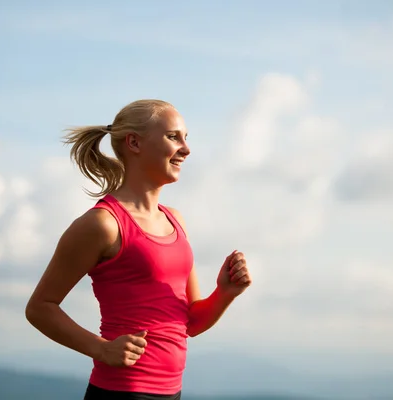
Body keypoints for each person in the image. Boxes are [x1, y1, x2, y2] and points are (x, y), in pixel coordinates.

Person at [25, 99, 252, 400]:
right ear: (134, 142)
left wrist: (225, 293)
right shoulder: (103, 224)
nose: (186, 149)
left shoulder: (176, 220)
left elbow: (191, 323)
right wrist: (101, 348)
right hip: (122, 392)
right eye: (173, 137)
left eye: (186, 138)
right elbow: (40, 307)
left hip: (172, 393)